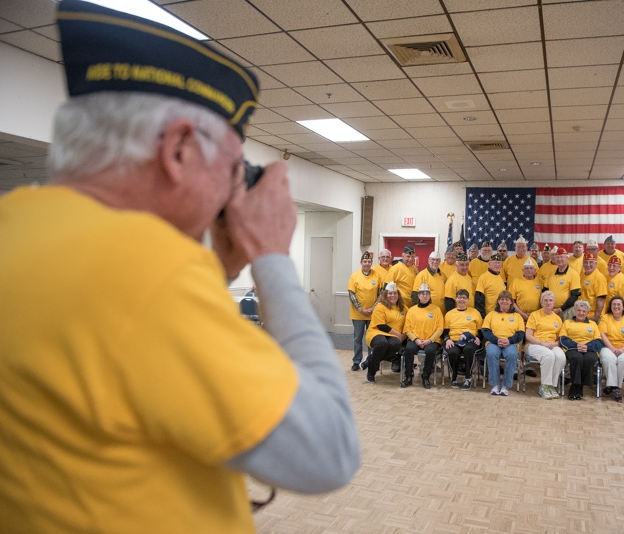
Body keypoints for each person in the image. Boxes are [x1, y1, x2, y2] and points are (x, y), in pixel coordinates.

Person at [0, 2, 360, 531]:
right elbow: (329, 449)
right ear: (179, 150)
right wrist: (273, 261)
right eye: (233, 166)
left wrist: (216, 270)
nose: (231, 188)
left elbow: (122, 358)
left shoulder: (18, 226)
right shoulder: (148, 271)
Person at [523, 291, 567, 399]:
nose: (548, 303)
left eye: (550, 300)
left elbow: (560, 339)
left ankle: (551, 385)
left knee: (561, 357)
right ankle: (544, 386)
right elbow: (528, 335)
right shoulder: (534, 315)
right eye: (545, 300)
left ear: (554, 303)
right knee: (549, 355)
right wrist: (541, 343)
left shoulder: (557, 318)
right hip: (534, 344)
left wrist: (554, 344)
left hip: (552, 344)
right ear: (541, 302)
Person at [482, 291, 525, 396]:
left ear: (511, 302)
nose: (504, 301)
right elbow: (485, 331)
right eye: (502, 299)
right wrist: (496, 340)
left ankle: (506, 385)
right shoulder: (491, 315)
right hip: (493, 342)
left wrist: (509, 340)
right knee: (491, 354)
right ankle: (495, 384)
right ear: (498, 301)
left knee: (512, 354)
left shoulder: (517, 316)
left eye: (507, 299)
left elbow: (520, 333)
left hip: (511, 343)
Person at [559, 300, 603, 400]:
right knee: (577, 358)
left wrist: (587, 347)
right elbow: (562, 339)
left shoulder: (593, 324)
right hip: (573, 348)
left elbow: (598, 341)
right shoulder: (567, 322)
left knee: (590, 359)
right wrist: (576, 345)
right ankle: (575, 386)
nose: (581, 313)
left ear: (587, 313)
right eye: (579, 310)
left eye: (584, 311)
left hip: (589, 349)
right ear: (575, 311)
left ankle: (580, 386)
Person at [401, 284, 443, 389]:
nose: (425, 296)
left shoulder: (436, 310)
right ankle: (409, 376)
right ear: (418, 295)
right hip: (415, 339)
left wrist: (430, 340)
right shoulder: (412, 310)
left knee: (430, 351)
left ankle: (426, 376)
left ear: (429, 296)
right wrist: (416, 340)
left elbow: (440, 329)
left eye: (427, 294)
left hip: (431, 340)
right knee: (409, 349)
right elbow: (407, 329)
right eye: (422, 294)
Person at [599, 296, 624, 402]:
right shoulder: (605, 317)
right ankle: (616, 388)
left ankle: (612, 386)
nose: (616, 307)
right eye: (614, 304)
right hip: (608, 346)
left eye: (618, 305)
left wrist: (623, 349)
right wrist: (611, 348)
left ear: (623, 307)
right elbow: (603, 334)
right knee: (608, 358)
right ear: (610, 307)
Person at [365, 282, 407, 383]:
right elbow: (381, 326)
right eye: (390, 293)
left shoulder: (404, 308)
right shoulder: (380, 306)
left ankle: (370, 359)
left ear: (398, 295)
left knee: (395, 344)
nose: (392, 296)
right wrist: (399, 335)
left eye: (395, 293)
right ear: (385, 294)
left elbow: (409, 324)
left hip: (394, 336)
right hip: (377, 332)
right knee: (382, 344)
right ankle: (372, 371)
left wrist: (404, 336)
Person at [347, 251, 382, 371]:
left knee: (371, 339)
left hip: (373, 314)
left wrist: (373, 308)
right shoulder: (354, 276)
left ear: (372, 262)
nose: (367, 263)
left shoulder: (377, 275)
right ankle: (357, 361)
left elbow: (381, 294)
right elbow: (352, 295)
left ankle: (370, 360)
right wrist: (361, 309)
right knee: (358, 338)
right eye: (365, 261)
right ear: (361, 262)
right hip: (358, 315)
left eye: (369, 261)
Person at [443, 289, 483, 390]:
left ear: (468, 300)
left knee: (468, 349)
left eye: (464, 298)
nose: (461, 300)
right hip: (454, 340)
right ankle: (454, 377)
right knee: (452, 352)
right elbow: (445, 331)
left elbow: (481, 330)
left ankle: (468, 378)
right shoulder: (449, 314)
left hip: (470, 341)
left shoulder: (475, 312)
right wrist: (447, 339)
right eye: (459, 297)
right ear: (456, 299)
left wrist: (478, 338)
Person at [542, 246, 581, 320]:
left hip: (567, 311)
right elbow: (545, 291)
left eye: (562, 257)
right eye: (557, 257)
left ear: (567, 259)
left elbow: (574, 296)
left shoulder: (573, 274)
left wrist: (560, 309)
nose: (559, 259)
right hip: (551, 310)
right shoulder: (550, 274)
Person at [384, 245, 418, 309]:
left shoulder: (415, 269)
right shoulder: (395, 268)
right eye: (408, 256)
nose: (410, 259)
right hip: (399, 305)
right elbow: (386, 288)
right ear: (403, 256)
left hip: (412, 305)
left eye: (412, 257)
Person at [475, 253, 507, 318]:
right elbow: (479, 298)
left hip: (501, 314)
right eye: (494, 263)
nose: (497, 265)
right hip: (488, 314)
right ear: (489, 264)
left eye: (499, 263)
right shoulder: (483, 277)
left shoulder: (500, 278)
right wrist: (483, 315)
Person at [510, 258, 542, 322]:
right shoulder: (515, 282)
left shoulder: (541, 282)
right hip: (519, 316)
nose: (529, 270)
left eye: (531, 268)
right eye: (526, 268)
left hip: (537, 317)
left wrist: (534, 314)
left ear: (535, 270)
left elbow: (544, 301)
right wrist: (522, 314)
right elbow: (511, 301)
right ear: (522, 270)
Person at [580, 251, 607, 323]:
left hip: (593, 316)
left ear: (596, 264)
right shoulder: (582, 275)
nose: (588, 265)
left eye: (591, 262)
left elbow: (601, 299)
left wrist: (596, 317)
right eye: (585, 262)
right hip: (583, 314)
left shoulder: (599, 277)